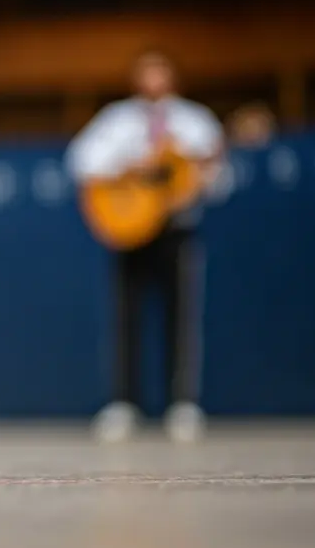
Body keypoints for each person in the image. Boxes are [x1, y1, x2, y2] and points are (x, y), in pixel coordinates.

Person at [66, 51, 225, 443]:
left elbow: (218, 179)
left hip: (176, 231)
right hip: (130, 230)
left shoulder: (195, 122)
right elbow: (81, 160)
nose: (153, 79)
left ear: (173, 76)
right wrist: (130, 165)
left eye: (161, 71)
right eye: (146, 72)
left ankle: (181, 403)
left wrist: (198, 181)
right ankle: (124, 402)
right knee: (126, 318)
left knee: (180, 317)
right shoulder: (117, 120)